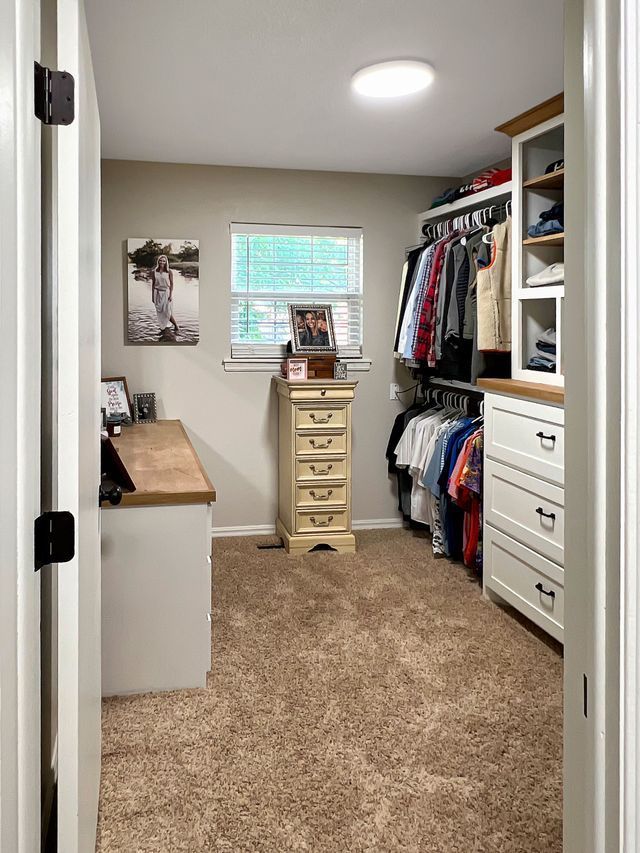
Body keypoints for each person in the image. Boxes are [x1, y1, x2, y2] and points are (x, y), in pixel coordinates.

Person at [151, 255, 179, 333]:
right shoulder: (154, 271)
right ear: (158, 261)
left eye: (163, 261)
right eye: (160, 260)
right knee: (161, 312)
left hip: (166, 293)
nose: (162, 262)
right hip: (157, 293)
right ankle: (164, 326)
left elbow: (172, 284)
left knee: (167, 312)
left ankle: (176, 326)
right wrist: (152, 296)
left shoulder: (169, 271)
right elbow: (153, 284)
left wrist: (170, 295)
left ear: (166, 262)